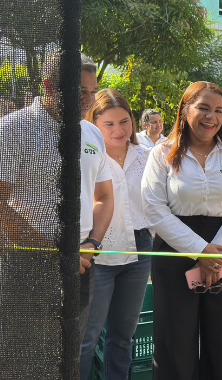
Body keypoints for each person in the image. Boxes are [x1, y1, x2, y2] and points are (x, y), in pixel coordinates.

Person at [0, 52, 113, 364]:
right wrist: (56, 254)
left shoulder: (91, 132)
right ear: (49, 86)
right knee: (25, 358)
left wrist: (91, 244)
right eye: (79, 91)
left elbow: (104, 196)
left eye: (92, 92)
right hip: (27, 265)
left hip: (81, 263)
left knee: (67, 356)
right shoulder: (12, 129)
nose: (88, 100)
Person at [142, 81, 222, 380]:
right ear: (184, 110)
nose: (211, 117)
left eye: (218, 110)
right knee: (174, 337)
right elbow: (154, 208)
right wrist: (198, 250)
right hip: (174, 250)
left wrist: (214, 255)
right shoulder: (162, 153)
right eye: (203, 108)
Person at [79, 89, 153, 379]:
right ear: (93, 123)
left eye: (124, 121)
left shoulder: (148, 156)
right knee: (87, 337)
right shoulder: (87, 156)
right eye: (108, 124)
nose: (119, 130)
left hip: (140, 249)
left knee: (123, 337)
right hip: (95, 251)